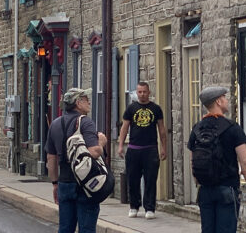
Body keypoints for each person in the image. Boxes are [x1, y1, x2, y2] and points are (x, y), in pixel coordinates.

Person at [188, 85, 246, 233]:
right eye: (225, 98)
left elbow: (193, 161)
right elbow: (245, 161)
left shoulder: (197, 128)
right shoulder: (232, 128)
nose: (227, 100)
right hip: (227, 188)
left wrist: (200, 181)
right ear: (218, 102)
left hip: (205, 190)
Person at [45, 87, 108, 233]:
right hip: (85, 184)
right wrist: (102, 143)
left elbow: (51, 158)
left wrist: (55, 183)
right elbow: (94, 151)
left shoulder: (55, 124)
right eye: (86, 99)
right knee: (86, 229)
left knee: (65, 228)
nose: (89, 103)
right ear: (78, 103)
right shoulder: (85, 122)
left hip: (64, 183)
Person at [118, 81, 168, 219]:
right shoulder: (131, 108)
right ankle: (134, 206)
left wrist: (164, 147)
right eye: (139, 92)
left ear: (149, 92)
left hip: (150, 149)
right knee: (133, 179)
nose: (142, 94)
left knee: (150, 180)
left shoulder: (156, 109)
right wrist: (121, 145)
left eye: (144, 92)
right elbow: (124, 128)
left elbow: (162, 129)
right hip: (134, 149)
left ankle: (150, 208)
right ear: (137, 92)